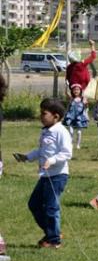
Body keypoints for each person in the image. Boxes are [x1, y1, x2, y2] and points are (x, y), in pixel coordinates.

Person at [13, 99, 72, 248]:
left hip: (58, 176)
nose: (41, 116)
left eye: (44, 113)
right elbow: (42, 151)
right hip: (45, 176)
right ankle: (52, 232)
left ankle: (54, 241)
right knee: (34, 204)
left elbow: (66, 153)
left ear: (56, 116)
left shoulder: (61, 132)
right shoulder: (46, 131)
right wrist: (27, 157)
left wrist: (52, 160)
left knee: (51, 207)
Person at [63, 84, 89, 150]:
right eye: (74, 90)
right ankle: (70, 144)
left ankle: (78, 144)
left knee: (79, 132)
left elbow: (86, 106)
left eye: (77, 90)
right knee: (71, 132)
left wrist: (85, 103)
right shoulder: (71, 99)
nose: (76, 91)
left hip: (79, 118)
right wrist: (66, 86)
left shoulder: (83, 99)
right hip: (71, 117)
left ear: (80, 91)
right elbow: (66, 93)